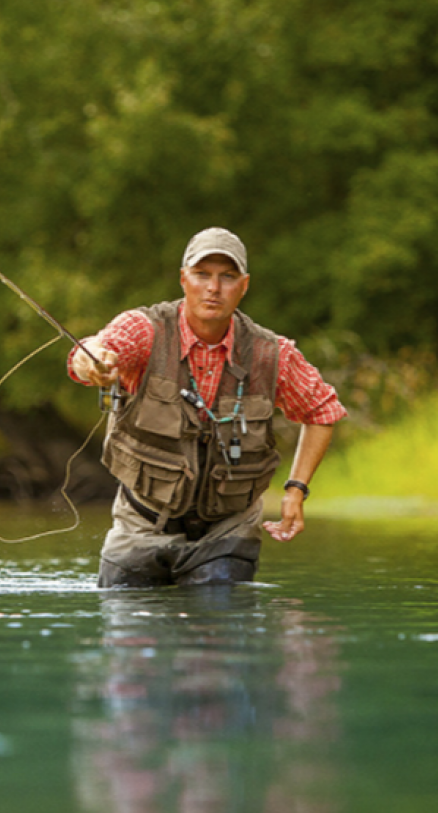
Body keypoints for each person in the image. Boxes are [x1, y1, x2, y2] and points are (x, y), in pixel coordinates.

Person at [68, 227, 347, 587]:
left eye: (227, 277)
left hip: (227, 533)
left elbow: (323, 411)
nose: (213, 288)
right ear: (183, 279)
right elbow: (92, 350)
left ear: (244, 286)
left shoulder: (270, 354)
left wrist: (296, 490)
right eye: (202, 275)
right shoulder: (145, 330)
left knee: (220, 628)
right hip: (142, 523)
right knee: (128, 628)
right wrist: (94, 364)